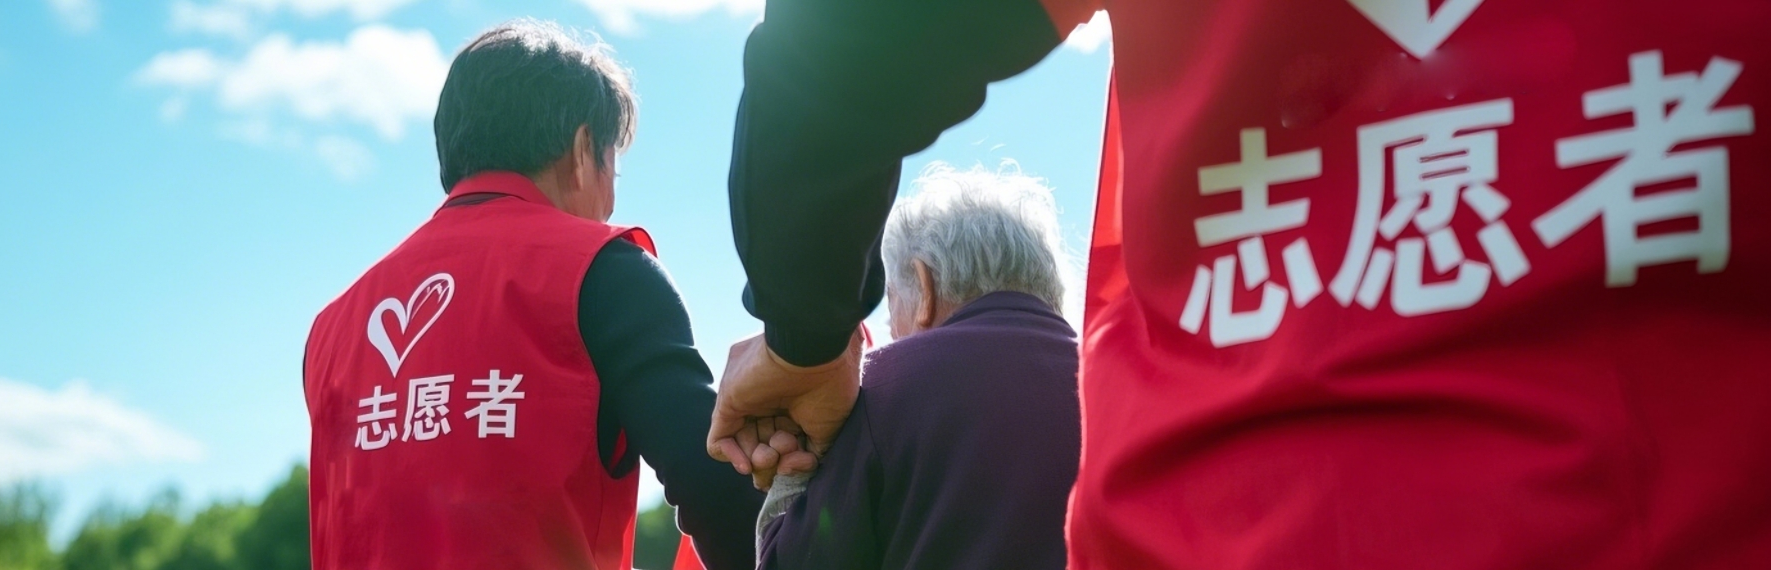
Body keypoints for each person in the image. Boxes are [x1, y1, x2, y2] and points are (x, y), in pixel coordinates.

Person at [710, 0, 1771, 568]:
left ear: (920, 283)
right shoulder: (1063, 373)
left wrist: (808, 336)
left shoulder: (892, 394)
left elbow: (836, 58)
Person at [303, 20, 760, 570]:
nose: (610, 202)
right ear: (583, 149)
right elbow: (716, 489)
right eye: (613, 170)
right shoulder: (605, 272)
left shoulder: (331, 328)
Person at [755, 164, 1081, 570]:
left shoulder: (879, 389)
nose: (891, 332)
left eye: (891, 304)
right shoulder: (1121, 386)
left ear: (923, 286)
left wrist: (791, 484)